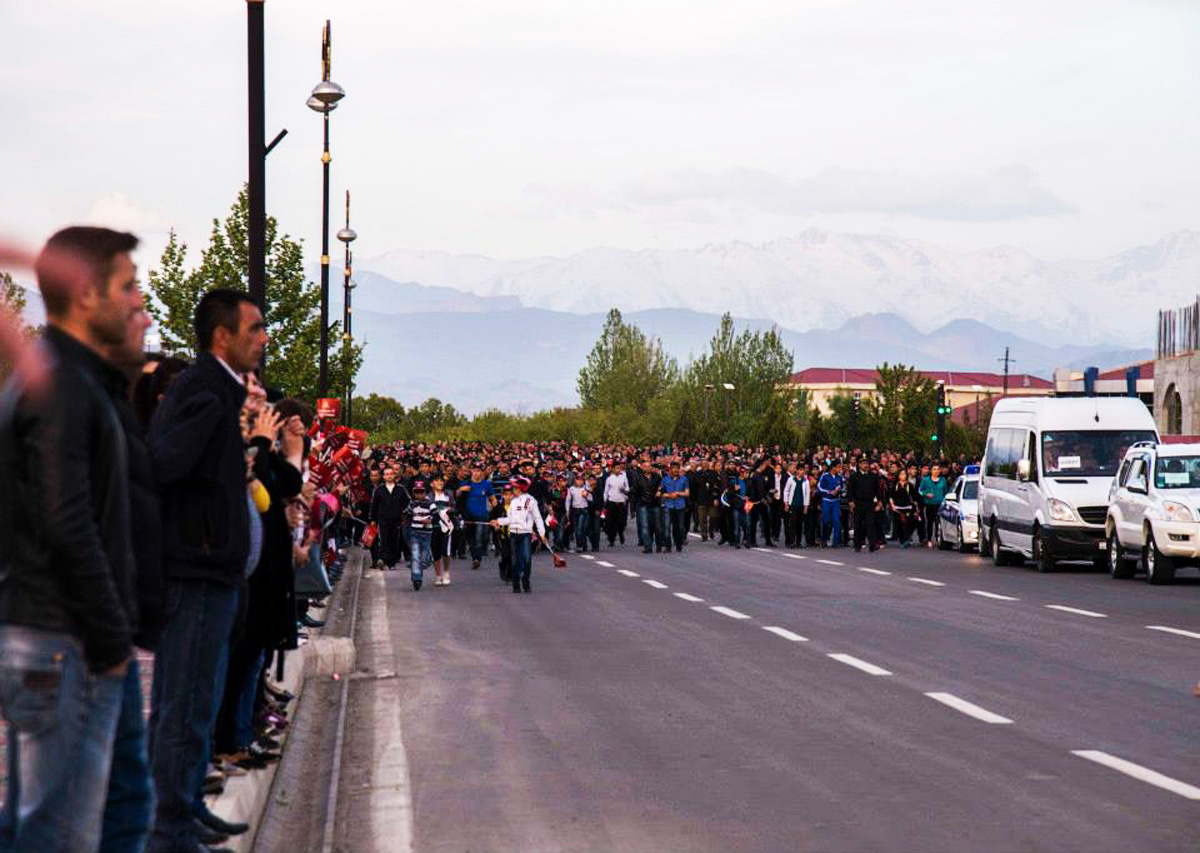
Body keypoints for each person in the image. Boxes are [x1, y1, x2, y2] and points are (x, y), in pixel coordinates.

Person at [0, 227, 144, 853]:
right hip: (65, 645)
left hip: (61, 640)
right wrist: (111, 640)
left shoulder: (67, 377)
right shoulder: (61, 385)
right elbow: (66, 520)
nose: (140, 298)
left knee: (62, 821)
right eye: (128, 284)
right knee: (57, 835)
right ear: (86, 295)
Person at [146, 288, 266, 852]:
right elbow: (165, 466)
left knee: (198, 700)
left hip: (211, 572)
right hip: (194, 574)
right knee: (185, 707)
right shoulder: (205, 392)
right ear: (223, 336)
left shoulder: (223, 392)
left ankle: (188, 806)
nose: (264, 339)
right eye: (255, 329)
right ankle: (169, 831)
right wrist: (203, 531)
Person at [490, 476, 546, 593]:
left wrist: (542, 533)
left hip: (526, 534)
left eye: (514, 488)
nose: (512, 490)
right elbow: (510, 519)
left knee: (526, 559)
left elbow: (537, 517)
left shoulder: (531, 501)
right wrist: (498, 521)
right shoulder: (513, 502)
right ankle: (516, 585)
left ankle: (526, 582)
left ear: (521, 488)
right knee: (514, 560)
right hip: (513, 534)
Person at [370, 467, 409, 570]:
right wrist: (373, 519)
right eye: (386, 474)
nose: (389, 476)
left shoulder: (400, 489)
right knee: (384, 540)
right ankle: (383, 560)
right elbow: (374, 505)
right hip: (382, 519)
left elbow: (407, 503)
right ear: (383, 476)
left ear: (394, 475)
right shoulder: (379, 490)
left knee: (394, 541)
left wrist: (403, 514)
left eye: (391, 474)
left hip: (396, 520)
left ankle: (391, 562)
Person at [458, 464, 495, 569]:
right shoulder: (466, 483)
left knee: (479, 538)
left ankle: (478, 558)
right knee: (471, 539)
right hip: (468, 516)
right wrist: (461, 490)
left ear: (482, 472)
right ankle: (475, 559)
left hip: (482, 516)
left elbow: (492, 498)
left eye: (478, 471)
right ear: (471, 471)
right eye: (474, 470)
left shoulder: (486, 484)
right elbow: (457, 495)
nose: (476, 473)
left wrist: (497, 510)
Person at [847, 456, 881, 553]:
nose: (865, 465)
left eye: (867, 463)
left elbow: (877, 490)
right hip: (858, 503)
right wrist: (851, 501)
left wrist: (880, 502)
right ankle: (857, 545)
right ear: (859, 464)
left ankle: (872, 544)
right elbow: (850, 490)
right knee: (858, 524)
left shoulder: (873, 476)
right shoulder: (854, 476)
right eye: (863, 463)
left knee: (871, 524)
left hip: (870, 502)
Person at [633, 459, 664, 554]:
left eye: (649, 466)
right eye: (645, 466)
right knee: (645, 526)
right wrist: (633, 507)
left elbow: (663, 486)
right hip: (643, 504)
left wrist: (660, 491)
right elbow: (635, 492)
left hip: (655, 504)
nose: (648, 468)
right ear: (642, 467)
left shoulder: (657, 477)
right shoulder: (638, 478)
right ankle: (648, 546)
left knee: (658, 526)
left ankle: (659, 545)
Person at [661, 460, 690, 553]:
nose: (676, 470)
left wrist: (678, 493)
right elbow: (659, 493)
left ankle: (678, 545)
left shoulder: (684, 479)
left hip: (680, 506)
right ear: (670, 469)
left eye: (678, 468)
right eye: (674, 468)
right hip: (668, 506)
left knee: (679, 527)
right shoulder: (665, 479)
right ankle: (668, 546)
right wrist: (669, 495)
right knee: (666, 527)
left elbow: (687, 493)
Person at [919, 463, 949, 548]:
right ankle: (929, 539)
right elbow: (920, 491)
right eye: (934, 469)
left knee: (938, 522)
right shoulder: (926, 480)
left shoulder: (943, 480)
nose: (936, 471)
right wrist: (926, 494)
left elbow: (946, 491)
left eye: (938, 469)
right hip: (929, 504)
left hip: (940, 504)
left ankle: (938, 538)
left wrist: (945, 500)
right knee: (930, 522)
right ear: (931, 471)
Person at [818, 461, 845, 547]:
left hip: (836, 501)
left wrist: (838, 489)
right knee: (825, 521)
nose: (839, 469)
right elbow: (819, 487)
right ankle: (824, 539)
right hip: (826, 500)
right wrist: (829, 492)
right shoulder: (825, 476)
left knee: (837, 521)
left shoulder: (839, 477)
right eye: (837, 467)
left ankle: (836, 542)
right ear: (833, 467)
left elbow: (843, 487)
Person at [603, 461, 629, 546]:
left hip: (621, 502)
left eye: (619, 468)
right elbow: (606, 492)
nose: (618, 470)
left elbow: (627, 489)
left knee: (621, 522)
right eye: (617, 468)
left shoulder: (623, 477)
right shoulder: (609, 479)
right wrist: (605, 501)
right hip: (611, 502)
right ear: (613, 469)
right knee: (611, 522)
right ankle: (611, 540)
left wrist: (624, 491)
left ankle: (621, 533)